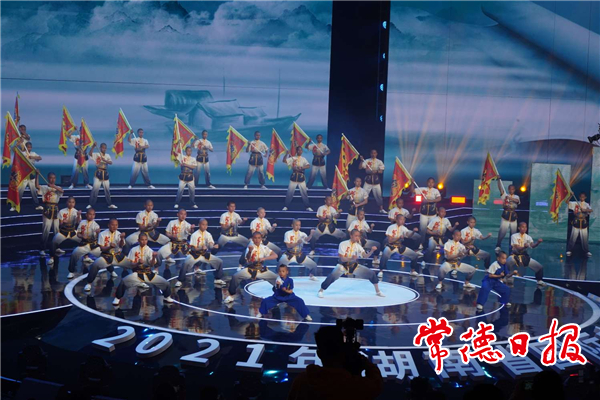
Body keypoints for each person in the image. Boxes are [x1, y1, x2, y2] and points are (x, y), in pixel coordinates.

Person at [287, 326, 383, 400]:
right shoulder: (356, 386)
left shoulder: (302, 381)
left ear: (319, 354)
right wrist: (362, 360)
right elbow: (376, 384)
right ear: (343, 351)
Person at [113, 233, 174, 306]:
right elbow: (131, 264)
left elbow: (152, 265)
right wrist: (138, 263)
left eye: (145, 240)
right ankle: (117, 298)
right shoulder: (133, 250)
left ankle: (167, 297)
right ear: (138, 240)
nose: (144, 242)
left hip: (148, 273)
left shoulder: (149, 250)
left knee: (166, 283)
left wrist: (154, 257)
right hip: (137, 273)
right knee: (123, 282)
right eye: (142, 240)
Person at [318, 229, 384, 298]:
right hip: (342, 265)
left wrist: (372, 251)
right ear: (351, 236)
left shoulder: (358, 246)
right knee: (332, 276)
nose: (357, 238)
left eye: (358, 236)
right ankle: (321, 290)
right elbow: (342, 259)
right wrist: (351, 258)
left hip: (353, 265)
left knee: (371, 273)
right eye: (356, 236)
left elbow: (365, 256)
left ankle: (378, 291)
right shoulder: (343, 244)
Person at [224, 232, 279, 303]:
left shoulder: (264, 248)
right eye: (255, 238)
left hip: (261, 269)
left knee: (277, 280)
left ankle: (277, 295)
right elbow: (248, 259)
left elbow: (275, 255)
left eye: (258, 238)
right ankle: (231, 295)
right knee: (235, 276)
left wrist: (264, 258)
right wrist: (250, 251)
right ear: (252, 239)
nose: (257, 240)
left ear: (261, 239)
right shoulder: (250, 247)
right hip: (250, 269)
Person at [84, 218, 128, 292]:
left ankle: (139, 281)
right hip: (106, 255)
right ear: (108, 225)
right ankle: (89, 283)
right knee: (95, 264)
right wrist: (109, 247)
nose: (114, 227)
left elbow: (121, 246)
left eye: (116, 225)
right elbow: (102, 249)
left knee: (132, 263)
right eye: (112, 225)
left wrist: (122, 238)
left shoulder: (119, 234)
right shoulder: (102, 234)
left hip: (118, 256)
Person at [177, 218, 224, 287]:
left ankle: (218, 279)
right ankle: (180, 280)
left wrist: (213, 246)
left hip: (204, 254)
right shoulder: (194, 235)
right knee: (185, 263)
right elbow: (192, 248)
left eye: (206, 225)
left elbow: (210, 245)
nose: (205, 226)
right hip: (194, 255)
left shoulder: (208, 234)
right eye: (203, 225)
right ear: (199, 225)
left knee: (219, 262)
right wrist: (201, 248)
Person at [507, 222, 545, 286]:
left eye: (525, 227)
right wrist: (524, 247)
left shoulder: (528, 237)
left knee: (539, 267)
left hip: (524, 256)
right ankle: (507, 278)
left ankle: (539, 280)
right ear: (519, 228)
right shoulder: (514, 236)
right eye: (522, 227)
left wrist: (538, 243)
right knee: (507, 263)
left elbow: (532, 245)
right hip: (514, 256)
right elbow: (517, 247)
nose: (524, 228)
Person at [67, 208, 101, 279]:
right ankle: (71, 271)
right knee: (74, 254)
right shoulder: (82, 223)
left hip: (93, 246)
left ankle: (111, 271)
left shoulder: (96, 225)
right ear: (86, 215)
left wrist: (97, 233)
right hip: (84, 245)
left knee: (104, 256)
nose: (91, 216)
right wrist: (82, 236)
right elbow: (78, 234)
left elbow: (96, 237)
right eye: (90, 214)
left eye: (93, 215)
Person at [36, 172, 63, 256]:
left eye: (54, 178)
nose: (52, 179)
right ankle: (42, 248)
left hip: (56, 210)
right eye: (51, 178)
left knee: (56, 230)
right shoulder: (45, 188)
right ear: (48, 178)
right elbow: (37, 186)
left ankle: (57, 247)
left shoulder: (58, 188)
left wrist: (53, 187)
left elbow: (62, 191)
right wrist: (37, 175)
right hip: (47, 209)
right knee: (46, 230)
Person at [11, 141, 42, 211]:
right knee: (20, 192)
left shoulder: (33, 153)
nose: (29, 148)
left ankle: (36, 205)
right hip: (24, 176)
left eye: (30, 147)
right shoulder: (22, 153)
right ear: (25, 147)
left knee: (34, 192)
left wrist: (32, 157)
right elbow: (13, 150)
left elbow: (40, 158)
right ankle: (16, 206)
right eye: (28, 147)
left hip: (31, 175)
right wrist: (17, 144)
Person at [282, 146, 312, 211]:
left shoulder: (303, 159)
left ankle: (307, 206)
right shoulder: (292, 158)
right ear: (296, 151)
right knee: (289, 193)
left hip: (301, 177)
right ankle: (286, 206)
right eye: (298, 150)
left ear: (302, 151)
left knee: (304, 193)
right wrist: (286, 154)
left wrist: (302, 167)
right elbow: (284, 161)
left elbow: (308, 166)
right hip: (294, 177)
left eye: (301, 150)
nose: (299, 151)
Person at [88, 142, 117, 209]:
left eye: (105, 148)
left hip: (105, 174)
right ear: (100, 148)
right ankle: (91, 204)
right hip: (98, 173)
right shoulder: (97, 154)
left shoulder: (107, 155)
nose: (104, 149)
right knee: (95, 190)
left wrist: (105, 160)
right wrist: (93, 146)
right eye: (103, 148)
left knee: (107, 190)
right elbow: (90, 154)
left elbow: (111, 162)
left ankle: (109, 204)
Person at [414, 178, 442, 249]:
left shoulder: (435, 191)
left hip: (432, 214)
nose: (430, 184)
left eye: (432, 182)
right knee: (422, 229)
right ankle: (421, 243)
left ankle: (434, 244)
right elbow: (413, 191)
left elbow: (439, 198)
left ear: (434, 183)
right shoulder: (422, 189)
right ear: (427, 182)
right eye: (429, 182)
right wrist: (411, 183)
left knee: (433, 229)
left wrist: (431, 201)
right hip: (423, 214)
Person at [495, 180, 520, 253]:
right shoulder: (505, 195)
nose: (511, 190)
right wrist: (498, 180)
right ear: (508, 189)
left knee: (513, 233)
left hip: (513, 216)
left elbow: (517, 201)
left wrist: (510, 198)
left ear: (514, 190)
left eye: (513, 189)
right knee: (502, 232)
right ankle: (498, 245)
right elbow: (500, 189)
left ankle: (513, 246)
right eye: (510, 189)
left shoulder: (516, 196)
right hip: (505, 215)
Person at [359, 149, 386, 213]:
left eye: (374, 153)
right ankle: (361, 208)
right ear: (370, 154)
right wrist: (361, 161)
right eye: (372, 153)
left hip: (376, 181)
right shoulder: (367, 161)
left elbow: (381, 171)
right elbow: (360, 167)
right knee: (363, 195)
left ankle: (381, 209)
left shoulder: (379, 162)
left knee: (379, 196)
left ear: (376, 154)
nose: (373, 154)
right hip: (368, 181)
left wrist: (376, 171)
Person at [567, 192, 593, 257]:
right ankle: (569, 250)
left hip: (583, 223)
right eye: (581, 197)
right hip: (576, 222)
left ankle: (586, 251)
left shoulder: (586, 204)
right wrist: (571, 195)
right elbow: (567, 202)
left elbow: (591, 210)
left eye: (583, 197)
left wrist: (584, 210)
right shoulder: (575, 203)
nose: (582, 198)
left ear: (585, 197)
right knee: (573, 237)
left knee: (584, 238)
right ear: (579, 197)